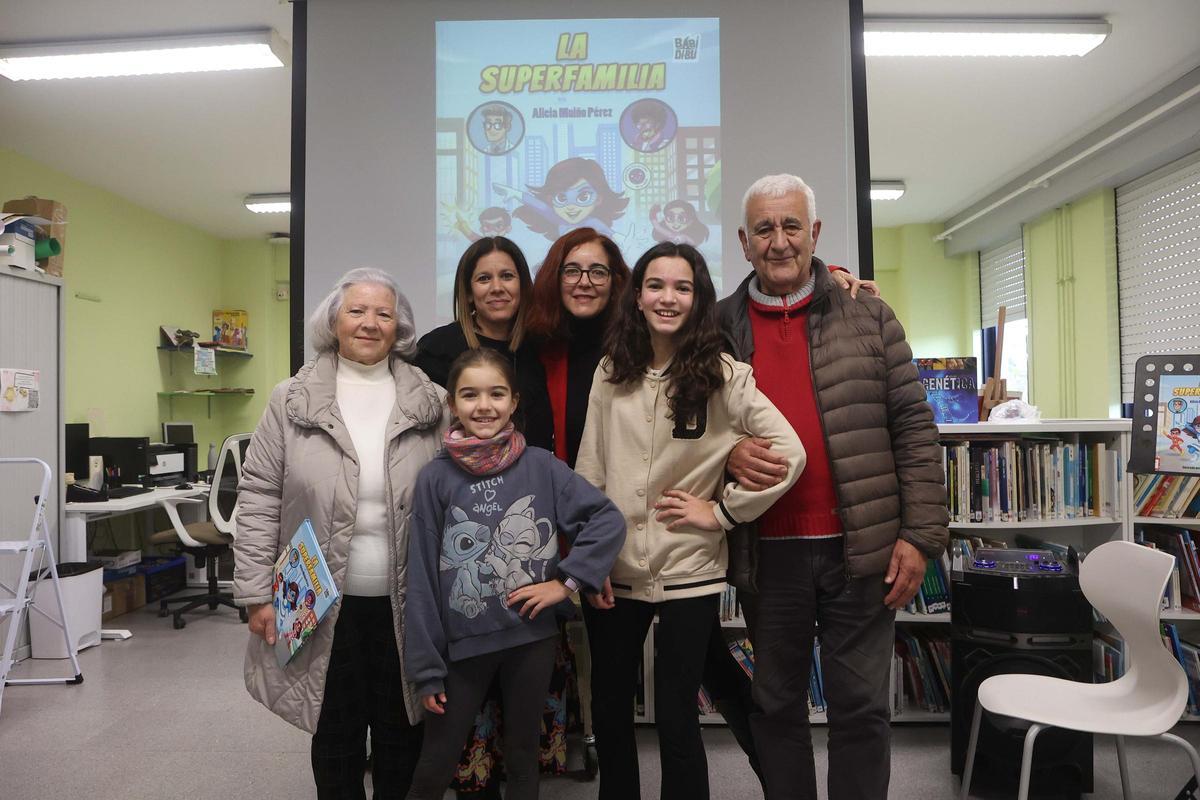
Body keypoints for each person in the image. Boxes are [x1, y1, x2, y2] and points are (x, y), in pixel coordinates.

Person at [718, 174, 950, 800]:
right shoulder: (715, 329)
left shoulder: (869, 314)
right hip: (769, 556)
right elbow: (687, 434)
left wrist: (920, 536)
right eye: (764, 229)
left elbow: (914, 429)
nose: (779, 241)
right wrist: (726, 451)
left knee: (862, 712)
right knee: (777, 709)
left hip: (863, 552)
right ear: (744, 242)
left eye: (792, 226)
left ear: (815, 233)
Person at [575, 242, 806, 800]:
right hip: (616, 568)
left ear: (698, 298)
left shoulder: (724, 374)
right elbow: (590, 471)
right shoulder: (612, 371)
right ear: (637, 295)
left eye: (683, 287)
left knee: (677, 714)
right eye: (656, 285)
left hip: (690, 569)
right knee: (609, 707)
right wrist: (588, 559)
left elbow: (790, 453)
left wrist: (723, 511)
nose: (667, 298)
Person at [233, 267, 448, 799]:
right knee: (334, 731)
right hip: (318, 598)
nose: (370, 323)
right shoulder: (291, 400)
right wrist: (257, 593)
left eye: (383, 313)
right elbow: (259, 497)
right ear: (333, 320)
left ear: (400, 326)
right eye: (357, 311)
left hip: (410, 599)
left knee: (404, 731)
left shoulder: (433, 402)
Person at [404, 348, 626, 800]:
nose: (483, 405)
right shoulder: (435, 478)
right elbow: (423, 577)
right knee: (436, 760)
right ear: (452, 404)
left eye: (496, 393)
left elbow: (606, 520)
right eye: (469, 394)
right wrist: (427, 669)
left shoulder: (541, 466)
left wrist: (565, 582)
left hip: (531, 641)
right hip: (462, 649)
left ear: (515, 401)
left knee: (524, 758)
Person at [415, 236, 553, 452]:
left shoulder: (541, 347)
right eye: (484, 278)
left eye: (507, 276)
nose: (497, 287)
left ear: (523, 286)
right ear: (469, 292)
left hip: (532, 480)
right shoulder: (436, 350)